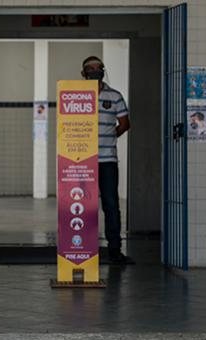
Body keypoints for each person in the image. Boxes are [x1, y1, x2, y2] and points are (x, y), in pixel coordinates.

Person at [80, 56, 134, 265]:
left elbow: (125, 123)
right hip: (81, 161)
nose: (95, 71)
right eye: (90, 68)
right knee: (83, 205)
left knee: (111, 205)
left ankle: (114, 250)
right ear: (83, 73)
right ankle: (82, 247)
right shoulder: (77, 95)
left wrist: (109, 137)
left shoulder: (115, 95)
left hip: (107, 160)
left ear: (103, 70)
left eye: (98, 68)